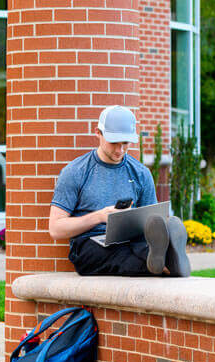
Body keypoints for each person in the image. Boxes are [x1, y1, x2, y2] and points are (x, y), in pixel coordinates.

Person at [49, 105, 191, 277]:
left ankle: (164, 261)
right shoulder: (76, 171)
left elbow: (154, 223)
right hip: (90, 245)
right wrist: (100, 216)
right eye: (114, 143)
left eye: (125, 143)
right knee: (119, 255)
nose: (120, 150)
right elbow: (55, 229)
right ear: (98, 133)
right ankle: (170, 263)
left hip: (131, 242)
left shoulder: (140, 173)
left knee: (140, 248)